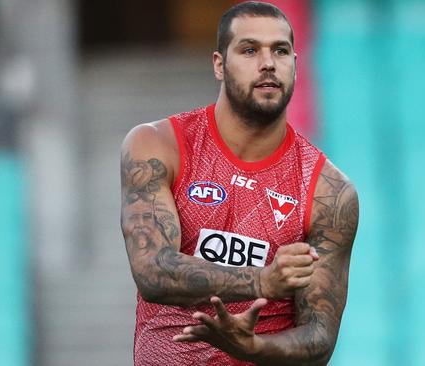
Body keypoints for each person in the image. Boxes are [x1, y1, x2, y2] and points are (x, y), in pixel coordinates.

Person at [120, 2, 358, 365]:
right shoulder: (158, 146)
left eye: (280, 51)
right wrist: (264, 282)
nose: (268, 63)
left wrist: (254, 349)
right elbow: (153, 271)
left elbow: (319, 338)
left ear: (295, 62)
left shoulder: (329, 191)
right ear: (219, 64)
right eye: (249, 50)